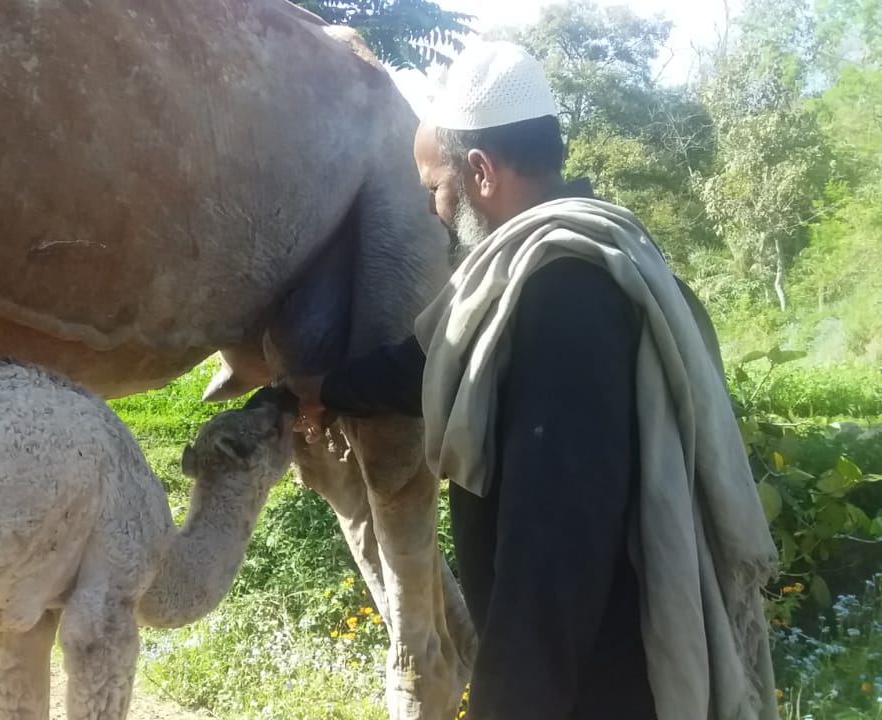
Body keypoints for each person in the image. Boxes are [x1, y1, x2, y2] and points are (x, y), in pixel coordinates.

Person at [284, 41, 779, 720]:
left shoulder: (567, 294)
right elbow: (429, 363)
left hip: (593, 680)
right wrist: (319, 391)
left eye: (435, 185)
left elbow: (553, 559)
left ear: (480, 171)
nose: (433, 209)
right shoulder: (535, 280)